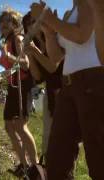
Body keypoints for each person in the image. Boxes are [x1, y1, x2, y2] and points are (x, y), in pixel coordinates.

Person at [31, 0, 104, 179]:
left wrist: (48, 18)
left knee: (97, 154)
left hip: (92, 81)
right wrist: (48, 32)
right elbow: (56, 57)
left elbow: (82, 35)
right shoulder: (67, 15)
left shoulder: (88, 4)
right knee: (58, 153)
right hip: (68, 85)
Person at [0, 9, 38, 174]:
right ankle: (24, 166)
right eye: (1, 20)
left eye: (8, 20)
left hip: (23, 86)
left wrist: (8, 55)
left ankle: (36, 168)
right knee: (10, 126)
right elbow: (11, 67)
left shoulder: (18, 38)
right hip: (13, 87)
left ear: (15, 23)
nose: (3, 23)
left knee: (20, 126)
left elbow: (25, 64)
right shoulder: (8, 41)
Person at [22, 11, 63, 158]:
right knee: (48, 139)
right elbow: (38, 76)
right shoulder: (37, 44)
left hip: (65, 91)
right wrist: (30, 55)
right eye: (28, 25)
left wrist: (34, 50)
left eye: (34, 21)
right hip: (51, 94)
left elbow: (53, 67)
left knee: (64, 141)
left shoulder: (55, 36)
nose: (32, 26)